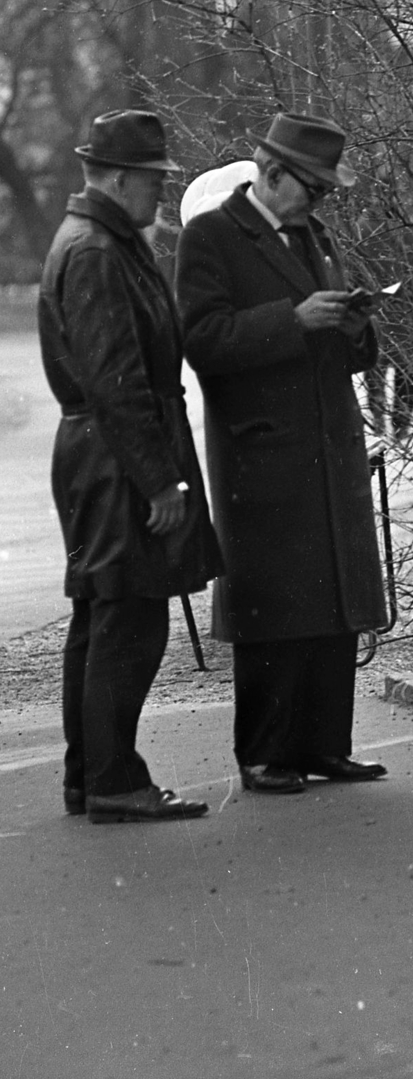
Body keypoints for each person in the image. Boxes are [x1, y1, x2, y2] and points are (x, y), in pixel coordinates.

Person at [175, 113, 389, 796]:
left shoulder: (313, 234)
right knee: (272, 609)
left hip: (329, 444)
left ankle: (326, 745)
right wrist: (293, 322)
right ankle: (265, 754)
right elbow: (202, 340)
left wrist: (355, 330)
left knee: (334, 603)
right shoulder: (210, 237)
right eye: (314, 187)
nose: (322, 201)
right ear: (271, 175)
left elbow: (342, 345)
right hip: (261, 452)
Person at [38, 110, 220, 823]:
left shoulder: (98, 242)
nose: (161, 196)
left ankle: (93, 775)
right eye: (153, 181)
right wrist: (159, 482)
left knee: (104, 616)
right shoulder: (98, 252)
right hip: (115, 460)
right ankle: (113, 778)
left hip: (101, 453)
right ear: (117, 179)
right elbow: (117, 378)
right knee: (129, 621)